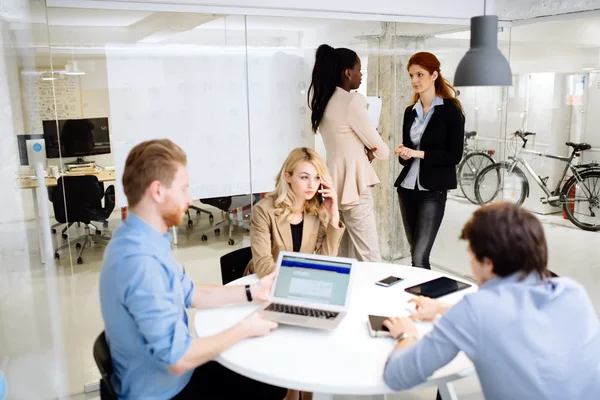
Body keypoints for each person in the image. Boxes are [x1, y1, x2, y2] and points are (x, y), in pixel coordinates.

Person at [99, 139, 286, 400]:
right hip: (165, 392)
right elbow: (179, 358)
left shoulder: (143, 237)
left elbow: (190, 293)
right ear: (157, 191)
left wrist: (252, 291)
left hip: (170, 378)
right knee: (267, 383)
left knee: (267, 380)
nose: (189, 200)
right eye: (183, 189)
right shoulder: (140, 262)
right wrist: (245, 328)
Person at [383, 202, 600, 400]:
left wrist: (406, 334)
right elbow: (514, 318)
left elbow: (397, 376)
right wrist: (441, 308)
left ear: (488, 264)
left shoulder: (475, 311)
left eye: (471, 257)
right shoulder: (572, 292)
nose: (471, 265)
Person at [308, 44, 389, 262]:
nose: (361, 75)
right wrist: (369, 151)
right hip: (355, 187)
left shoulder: (323, 100)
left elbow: (344, 142)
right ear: (347, 72)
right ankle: (374, 295)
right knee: (370, 256)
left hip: (334, 185)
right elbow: (382, 151)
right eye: (359, 70)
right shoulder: (353, 101)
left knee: (342, 255)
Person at [394, 52, 465, 270]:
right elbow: (407, 157)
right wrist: (405, 154)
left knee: (420, 256)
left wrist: (418, 153)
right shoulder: (410, 112)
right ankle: (417, 300)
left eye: (420, 74)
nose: (415, 80)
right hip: (407, 189)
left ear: (434, 75)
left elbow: (454, 156)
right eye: (411, 75)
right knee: (414, 253)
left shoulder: (451, 110)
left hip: (433, 191)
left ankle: (426, 301)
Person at [245, 147, 345, 278]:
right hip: (266, 283)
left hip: (299, 282)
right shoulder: (263, 211)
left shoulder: (314, 211)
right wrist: (302, 276)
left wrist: (334, 215)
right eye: (304, 177)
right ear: (288, 177)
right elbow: (264, 266)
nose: (311, 185)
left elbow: (325, 261)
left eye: (317, 178)